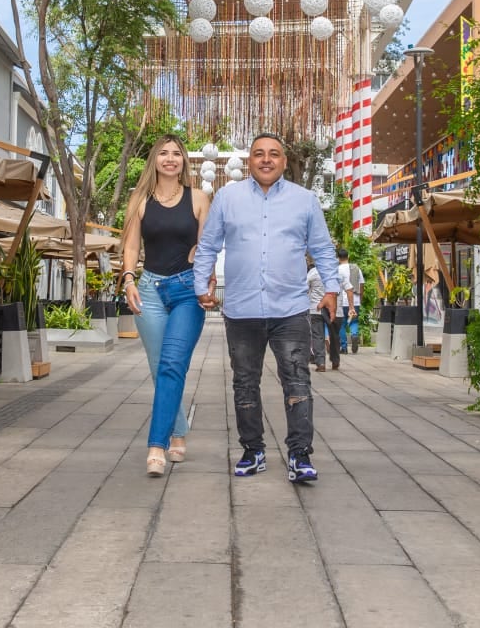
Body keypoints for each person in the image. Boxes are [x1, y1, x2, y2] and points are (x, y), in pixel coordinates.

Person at [194, 132, 339, 484]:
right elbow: (208, 245)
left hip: (290, 308)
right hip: (241, 310)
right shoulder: (227, 198)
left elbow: (322, 247)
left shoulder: (305, 201)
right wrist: (201, 286)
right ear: (250, 161)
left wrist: (332, 289)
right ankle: (253, 450)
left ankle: (300, 455)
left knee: (297, 380)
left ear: (284, 162)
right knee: (245, 383)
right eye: (259, 153)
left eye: (274, 154)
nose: (266, 159)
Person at [120, 134, 212, 478]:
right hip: (149, 290)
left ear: (183, 160)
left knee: (172, 364)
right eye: (164, 153)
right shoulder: (140, 200)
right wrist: (128, 279)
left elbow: (207, 247)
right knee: (160, 367)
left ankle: (156, 447)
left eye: (176, 153)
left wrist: (208, 282)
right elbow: (130, 246)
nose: (170, 158)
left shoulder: (199, 198)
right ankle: (178, 432)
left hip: (187, 290)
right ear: (154, 160)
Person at [337, 248, 364, 354]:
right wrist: (360, 298)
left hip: (341, 302)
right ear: (348, 257)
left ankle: (343, 347)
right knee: (354, 321)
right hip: (355, 300)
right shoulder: (357, 268)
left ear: (338, 258)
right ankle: (354, 334)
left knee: (341, 324)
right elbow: (362, 285)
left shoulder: (337, 270)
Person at [306, 260, 328, 372]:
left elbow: (305, 287)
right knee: (334, 334)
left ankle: (321, 362)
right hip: (331, 308)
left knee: (317, 336)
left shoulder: (313, 272)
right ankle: (335, 359)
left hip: (316, 308)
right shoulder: (332, 271)